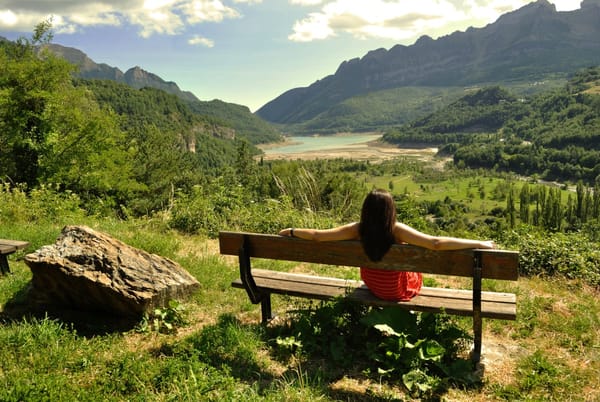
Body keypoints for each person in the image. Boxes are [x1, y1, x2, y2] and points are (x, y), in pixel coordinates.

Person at [279, 189, 496, 301]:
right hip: (397, 291)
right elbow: (435, 243)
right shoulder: (396, 230)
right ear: (390, 210)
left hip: (373, 286)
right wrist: (480, 242)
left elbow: (318, 236)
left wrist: (291, 231)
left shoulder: (357, 228)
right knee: (414, 271)